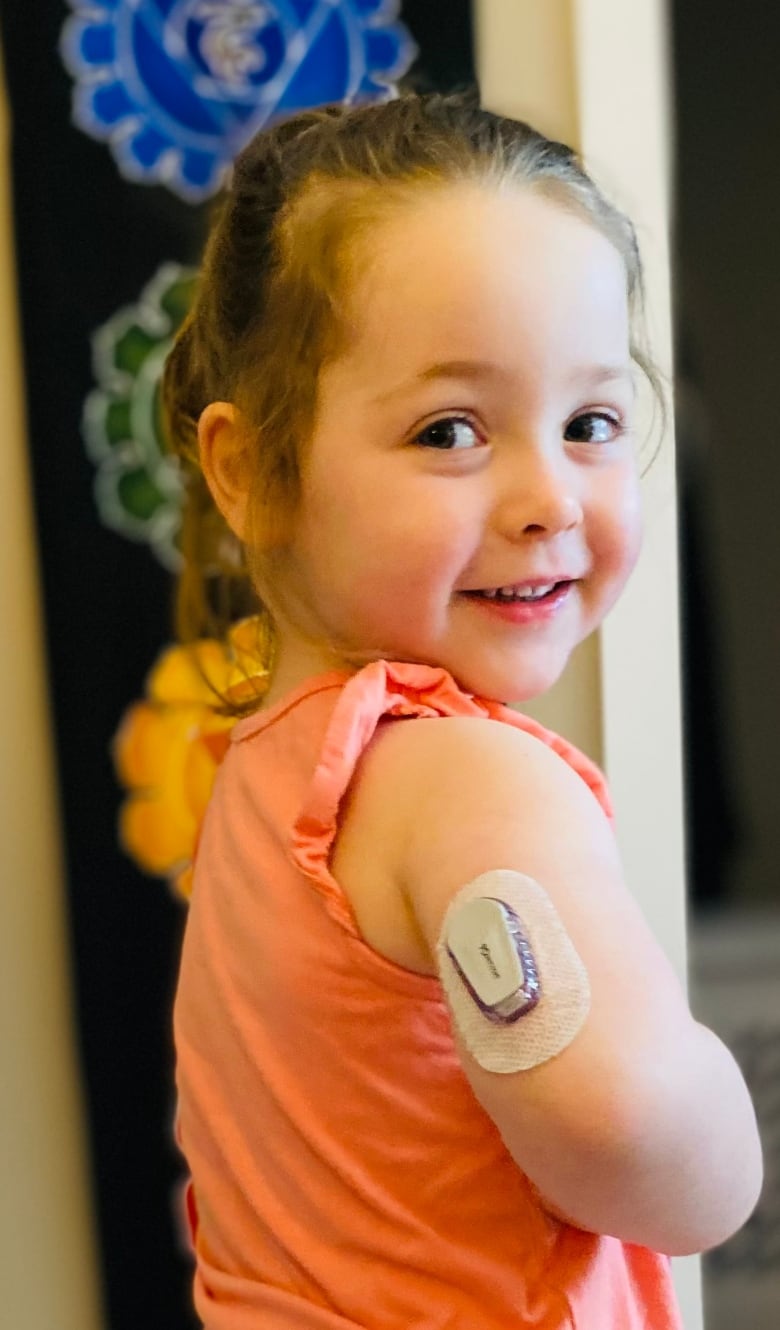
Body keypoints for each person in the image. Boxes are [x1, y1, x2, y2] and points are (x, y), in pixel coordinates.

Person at [165, 91, 762, 1329]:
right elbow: (628, 1129)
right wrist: (717, 1106)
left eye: (590, 422)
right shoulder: (473, 782)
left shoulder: (265, 780)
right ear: (248, 471)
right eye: (450, 430)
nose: (550, 495)